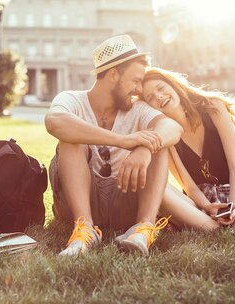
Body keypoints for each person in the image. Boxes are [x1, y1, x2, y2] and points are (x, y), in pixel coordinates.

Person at [45, 35, 182, 257]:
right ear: (113, 75)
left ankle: (143, 228)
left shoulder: (137, 109)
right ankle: (84, 231)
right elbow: (54, 122)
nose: (139, 89)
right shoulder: (71, 99)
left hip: (123, 201)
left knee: (157, 142)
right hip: (79, 202)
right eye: (136, 81)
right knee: (71, 138)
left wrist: (144, 149)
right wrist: (123, 140)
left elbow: (172, 127)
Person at [142, 67, 235, 228]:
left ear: (173, 85)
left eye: (161, 88)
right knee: (154, 186)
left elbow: (234, 165)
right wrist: (207, 207)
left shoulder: (213, 108)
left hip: (233, 190)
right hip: (201, 203)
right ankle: (210, 224)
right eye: (150, 98)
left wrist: (233, 204)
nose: (159, 96)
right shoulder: (166, 134)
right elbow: (189, 187)